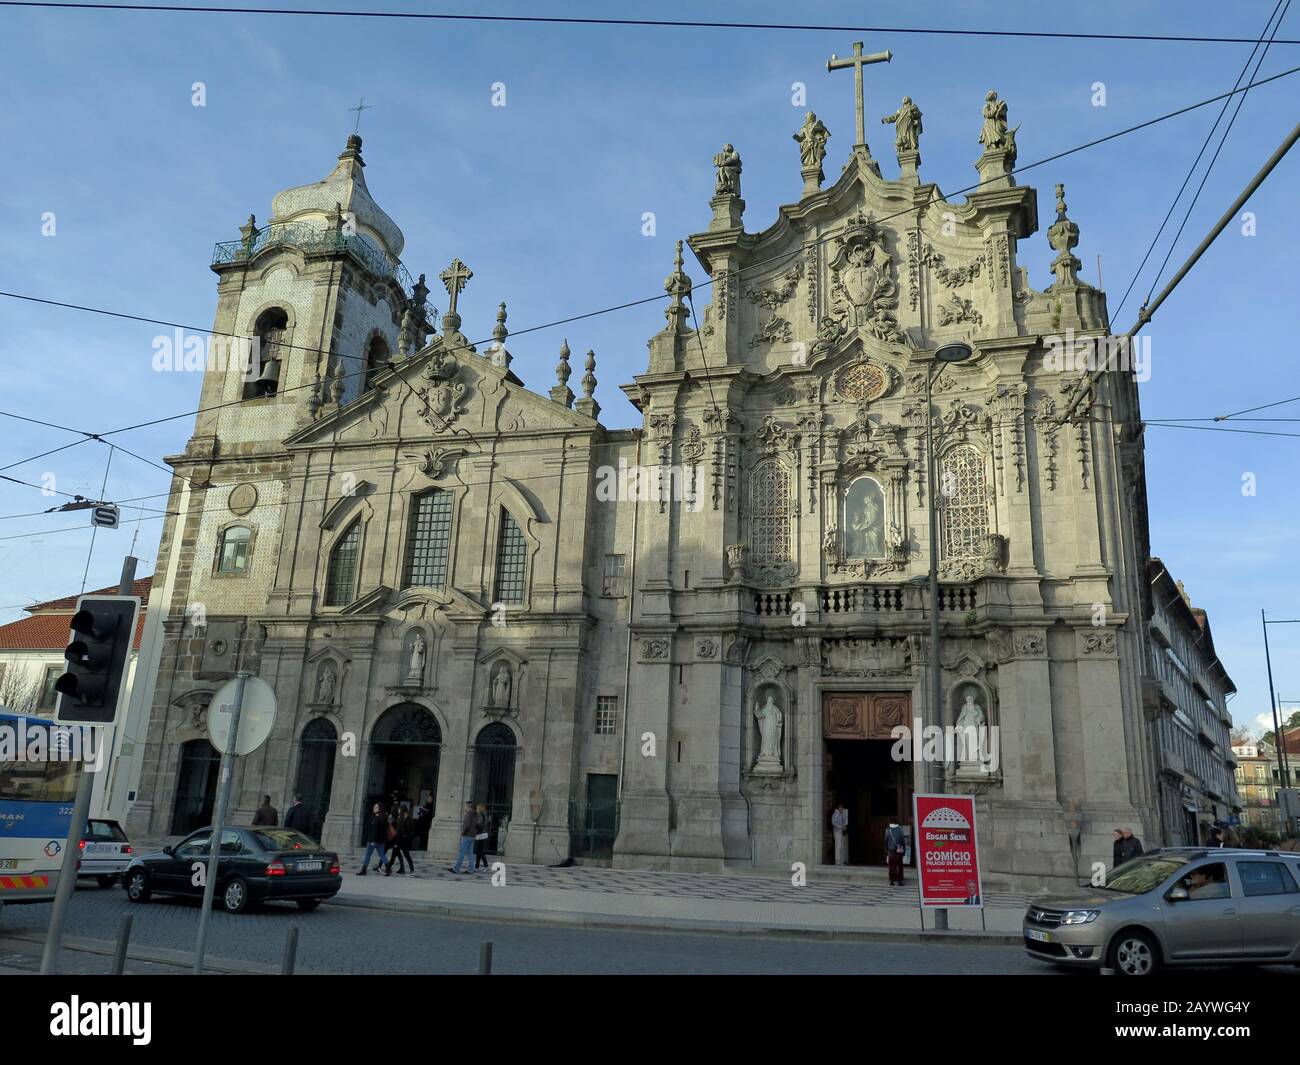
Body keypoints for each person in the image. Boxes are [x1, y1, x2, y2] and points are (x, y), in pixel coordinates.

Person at [358, 802, 388, 875]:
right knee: (382, 855)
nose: (374, 808)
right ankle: (388, 869)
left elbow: (375, 831)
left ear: (380, 809)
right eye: (374, 807)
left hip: (374, 841)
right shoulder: (382, 817)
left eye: (376, 807)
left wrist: (373, 841)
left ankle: (363, 870)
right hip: (380, 841)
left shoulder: (376, 818)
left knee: (368, 855)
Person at [385, 804, 416, 876]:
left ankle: (388, 869)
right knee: (398, 855)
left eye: (400, 811)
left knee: (399, 855)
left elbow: (401, 832)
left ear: (403, 811)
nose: (398, 812)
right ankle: (390, 869)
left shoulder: (405, 820)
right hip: (403, 841)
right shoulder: (407, 819)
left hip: (401, 841)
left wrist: (396, 843)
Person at [448, 801, 478, 874]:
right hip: (472, 836)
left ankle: (456, 868)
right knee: (470, 854)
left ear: (468, 807)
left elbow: (467, 825)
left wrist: (463, 833)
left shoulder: (468, 814)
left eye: (465, 806)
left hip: (467, 836)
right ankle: (471, 869)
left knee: (461, 852)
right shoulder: (475, 815)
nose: (465, 808)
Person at [885, 821, 907, 886]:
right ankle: (899, 881)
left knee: (891, 865)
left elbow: (886, 840)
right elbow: (903, 841)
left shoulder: (888, 830)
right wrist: (904, 851)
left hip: (891, 850)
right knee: (899, 865)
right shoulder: (900, 829)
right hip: (899, 849)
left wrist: (886, 850)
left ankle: (892, 880)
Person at [473, 803, 491, 871]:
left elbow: (479, 824)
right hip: (484, 834)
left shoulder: (480, 815)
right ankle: (477, 866)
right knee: (479, 851)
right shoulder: (485, 815)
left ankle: (485, 866)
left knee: (480, 851)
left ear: (480, 809)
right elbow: (486, 823)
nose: (476, 809)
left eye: (477, 808)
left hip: (480, 835)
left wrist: (475, 825)